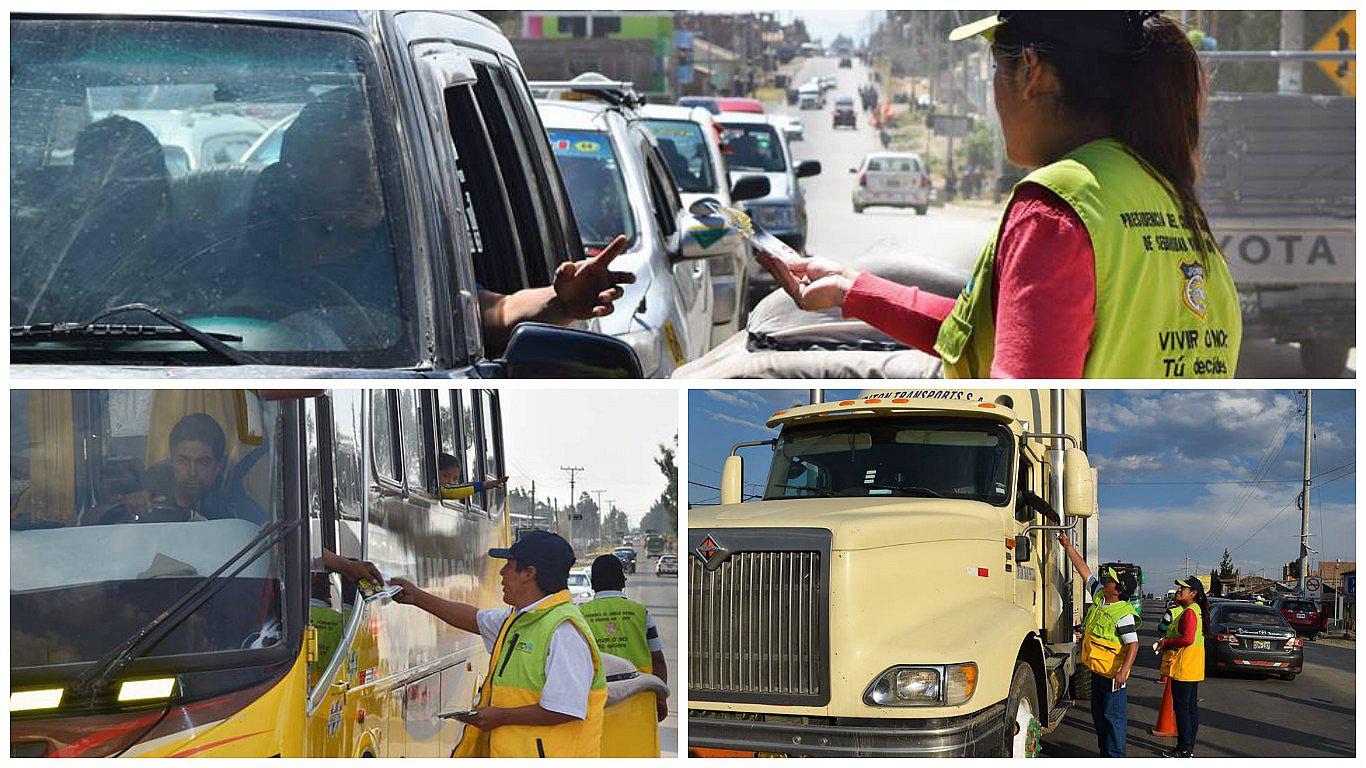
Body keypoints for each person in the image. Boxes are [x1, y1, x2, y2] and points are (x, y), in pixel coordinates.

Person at [754, 12, 1241, 379]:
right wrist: (851, 290)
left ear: (1030, 70)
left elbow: (1019, 404)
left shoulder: (1056, 209)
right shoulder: (1172, 199)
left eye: (995, 66)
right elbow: (997, 335)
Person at [243, 88, 635, 353]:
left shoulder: (413, 253)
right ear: (295, 167)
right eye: (344, 159)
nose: (370, 177)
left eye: (382, 161)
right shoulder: (228, 250)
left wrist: (559, 303)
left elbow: (492, 312)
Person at [388, 531, 606, 757]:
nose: (501, 573)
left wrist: (500, 716)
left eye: (509, 566)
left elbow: (565, 708)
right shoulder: (520, 620)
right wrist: (416, 597)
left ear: (529, 573)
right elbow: (473, 619)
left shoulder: (563, 631)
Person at [1058, 534, 1139, 756]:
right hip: (1098, 672)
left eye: (1111, 580)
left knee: (1113, 720)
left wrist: (1123, 673)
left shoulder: (1124, 614)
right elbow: (1084, 571)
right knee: (1100, 717)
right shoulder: (1101, 597)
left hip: (1113, 677)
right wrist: (1068, 547)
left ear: (1118, 590)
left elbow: (1133, 645)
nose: (1106, 581)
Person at [580, 554, 669, 756]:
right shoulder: (640, 612)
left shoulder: (580, 615)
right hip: (639, 702)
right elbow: (658, 659)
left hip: (595, 703)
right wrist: (661, 698)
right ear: (622, 582)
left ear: (593, 583)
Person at [1156, 576, 1208, 758]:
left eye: (1183, 588)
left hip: (1184, 667)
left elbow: (1187, 639)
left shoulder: (1190, 612)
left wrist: (1167, 641)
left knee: (1183, 710)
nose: (1179, 590)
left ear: (1193, 593)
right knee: (1190, 708)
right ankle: (1188, 747)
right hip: (1192, 666)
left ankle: (1184, 749)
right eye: (1179, 588)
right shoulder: (1195, 610)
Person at [438, 453, 507, 501]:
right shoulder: (439, 489)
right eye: (445, 476)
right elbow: (452, 491)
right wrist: (483, 485)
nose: (450, 482)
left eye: (455, 479)